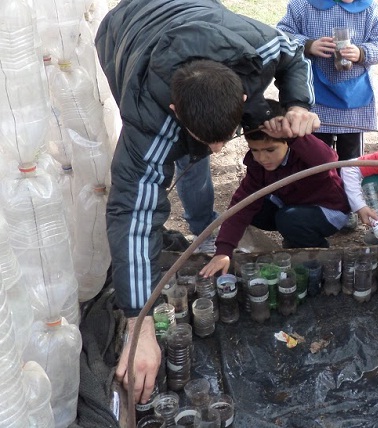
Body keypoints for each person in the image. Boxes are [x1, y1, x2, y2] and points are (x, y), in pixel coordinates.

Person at [95, 0, 320, 404]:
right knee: (175, 157)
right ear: (174, 110)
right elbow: (134, 212)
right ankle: (197, 201)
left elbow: (295, 54)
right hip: (124, 30)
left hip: (202, 20)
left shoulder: (259, 49)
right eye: (207, 140)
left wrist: (297, 104)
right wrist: (139, 322)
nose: (218, 150)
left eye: (227, 133)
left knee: (198, 145)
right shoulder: (148, 119)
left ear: (243, 89)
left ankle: (212, 134)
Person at [200, 101, 350, 277]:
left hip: (328, 210)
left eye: (270, 149)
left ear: (287, 142)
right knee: (252, 208)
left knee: (288, 219)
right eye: (255, 150)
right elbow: (240, 205)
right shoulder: (257, 166)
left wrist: (293, 135)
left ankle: (316, 254)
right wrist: (223, 251)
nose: (262, 157)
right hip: (292, 206)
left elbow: (329, 161)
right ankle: (295, 234)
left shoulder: (304, 153)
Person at [276, 0, 378, 161]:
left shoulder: (369, 8)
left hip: (352, 102)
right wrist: (308, 45)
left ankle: (347, 186)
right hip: (315, 96)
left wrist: (361, 53)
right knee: (315, 156)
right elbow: (282, 34)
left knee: (351, 161)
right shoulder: (303, 5)